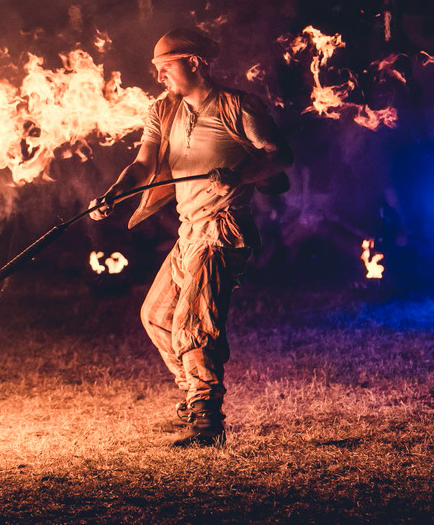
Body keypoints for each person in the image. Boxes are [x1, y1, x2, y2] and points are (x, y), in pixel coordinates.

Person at [89, 28, 293, 447]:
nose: (159, 76)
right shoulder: (163, 111)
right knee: (157, 316)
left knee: (195, 323)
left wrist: (239, 176)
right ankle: (194, 398)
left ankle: (206, 419)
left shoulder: (238, 107)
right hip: (189, 231)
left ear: (194, 63)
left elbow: (279, 156)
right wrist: (115, 193)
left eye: (165, 66)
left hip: (222, 228)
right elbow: (143, 164)